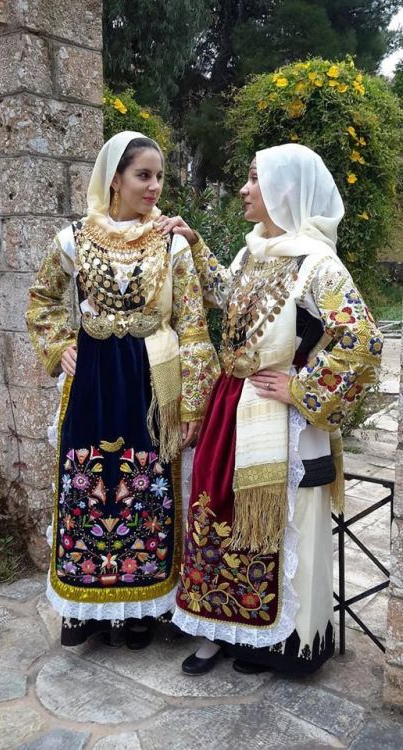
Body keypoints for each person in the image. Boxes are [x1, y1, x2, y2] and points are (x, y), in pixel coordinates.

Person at [155, 143, 383, 675]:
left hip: (279, 418)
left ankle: (273, 640)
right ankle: (219, 628)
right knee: (216, 515)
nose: (243, 189)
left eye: (255, 179)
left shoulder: (317, 264)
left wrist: (303, 388)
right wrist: (194, 243)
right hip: (229, 404)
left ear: (283, 189)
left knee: (279, 529)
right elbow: (226, 294)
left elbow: (364, 339)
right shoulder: (252, 250)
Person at [25, 131, 220, 648]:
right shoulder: (73, 239)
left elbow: (195, 323)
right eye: (143, 175)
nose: (154, 187)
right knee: (85, 480)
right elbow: (42, 299)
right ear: (114, 178)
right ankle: (85, 607)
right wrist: (57, 345)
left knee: (147, 484)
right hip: (92, 376)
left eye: (159, 176)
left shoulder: (172, 241)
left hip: (151, 378)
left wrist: (195, 399)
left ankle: (140, 608)